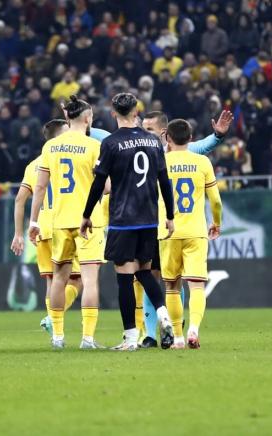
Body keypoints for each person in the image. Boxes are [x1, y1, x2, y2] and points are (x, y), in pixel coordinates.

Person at [81, 93, 175, 351]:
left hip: (124, 219)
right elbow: (164, 180)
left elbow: (99, 182)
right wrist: (170, 216)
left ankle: (130, 338)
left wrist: (87, 214)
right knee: (144, 272)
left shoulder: (110, 143)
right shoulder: (154, 142)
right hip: (148, 218)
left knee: (124, 279)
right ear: (136, 112)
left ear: (114, 114)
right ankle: (164, 315)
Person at [28, 96, 106, 350]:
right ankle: (87, 339)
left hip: (60, 220)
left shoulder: (51, 147)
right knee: (90, 280)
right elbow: (105, 187)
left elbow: (39, 187)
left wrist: (33, 221)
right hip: (88, 221)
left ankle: (58, 337)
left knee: (59, 278)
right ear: (86, 119)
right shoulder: (94, 146)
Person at [10, 119, 82, 335]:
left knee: (52, 279)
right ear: (59, 136)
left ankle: (55, 330)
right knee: (77, 280)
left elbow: (19, 200)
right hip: (64, 223)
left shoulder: (33, 165)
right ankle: (53, 318)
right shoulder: (72, 158)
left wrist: (18, 234)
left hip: (42, 229)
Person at [162, 119, 222, 349]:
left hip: (168, 232)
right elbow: (215, 200)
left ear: (167, 137)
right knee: (196, 286)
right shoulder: (202, 161)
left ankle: (177, 337)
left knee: (172, 287)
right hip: (196, 231)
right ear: (190, 138)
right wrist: (216, 222)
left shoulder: (160, 161)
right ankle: (194, 330)